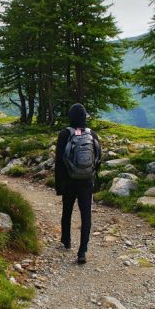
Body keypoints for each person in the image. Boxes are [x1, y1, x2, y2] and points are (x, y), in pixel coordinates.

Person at [54, 103, 101, 264]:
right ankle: (82, 251)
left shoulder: (65, 134)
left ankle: (66, 241)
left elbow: (59, 162)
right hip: (87, 182)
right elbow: (98, 158)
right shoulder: (92, 134)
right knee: (86, 215)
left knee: (67, 211)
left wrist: (59, 185)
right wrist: (93, 178)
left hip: (69, 181)